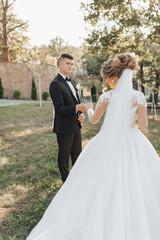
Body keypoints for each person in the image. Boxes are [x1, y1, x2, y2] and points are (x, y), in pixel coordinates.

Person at [27, 52, 160, 240]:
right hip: (133, 141)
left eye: (107, 79)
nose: (106, 82)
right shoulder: (138, 97)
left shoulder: (106, 97)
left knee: (98, 179)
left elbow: (94, 120)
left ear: (114, 77)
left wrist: (88, 108)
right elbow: (144, 125)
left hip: (106, 142)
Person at [49, 53, 87, 183]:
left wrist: (79, 115)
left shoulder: (72, 82)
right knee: (64, 157)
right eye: (67, 63)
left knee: (77, 155)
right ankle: (66, 184)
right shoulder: (55, 84)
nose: (70, 66)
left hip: (75, 125)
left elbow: (74, 102)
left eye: (72, 64)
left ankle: (77, 181)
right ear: (60, 64)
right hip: (64, 127)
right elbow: (59, 108)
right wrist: (77, 108)